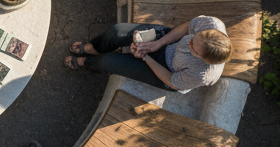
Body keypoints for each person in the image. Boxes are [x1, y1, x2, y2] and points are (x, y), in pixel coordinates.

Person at [64, 16, 232, 92]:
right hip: (169, 41)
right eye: (193, 39)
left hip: (167, 70)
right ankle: (95, 48)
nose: (189, 44)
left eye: (193, 49)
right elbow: (188, 27)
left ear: (203, 59)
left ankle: (87, 63)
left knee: (108, 62)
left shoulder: (201, 74)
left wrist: (145, 57)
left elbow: (172, 81)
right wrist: (157, 43)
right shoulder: (211, 24)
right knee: (117, 31)